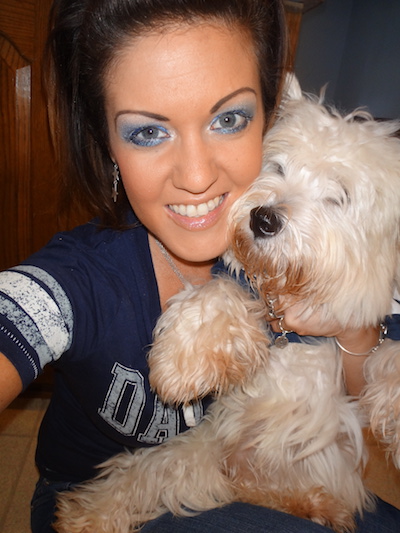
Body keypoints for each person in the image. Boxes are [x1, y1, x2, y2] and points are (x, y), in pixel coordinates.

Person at [0, 0, 399, 531]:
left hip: (295, 486)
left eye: (228, 119)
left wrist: (352, 327)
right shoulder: (80, 280)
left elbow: (363, 387)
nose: (195, 177)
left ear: (268, 117)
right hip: (98, 496)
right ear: (107, 143)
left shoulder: (298, 264)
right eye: (148, 131)